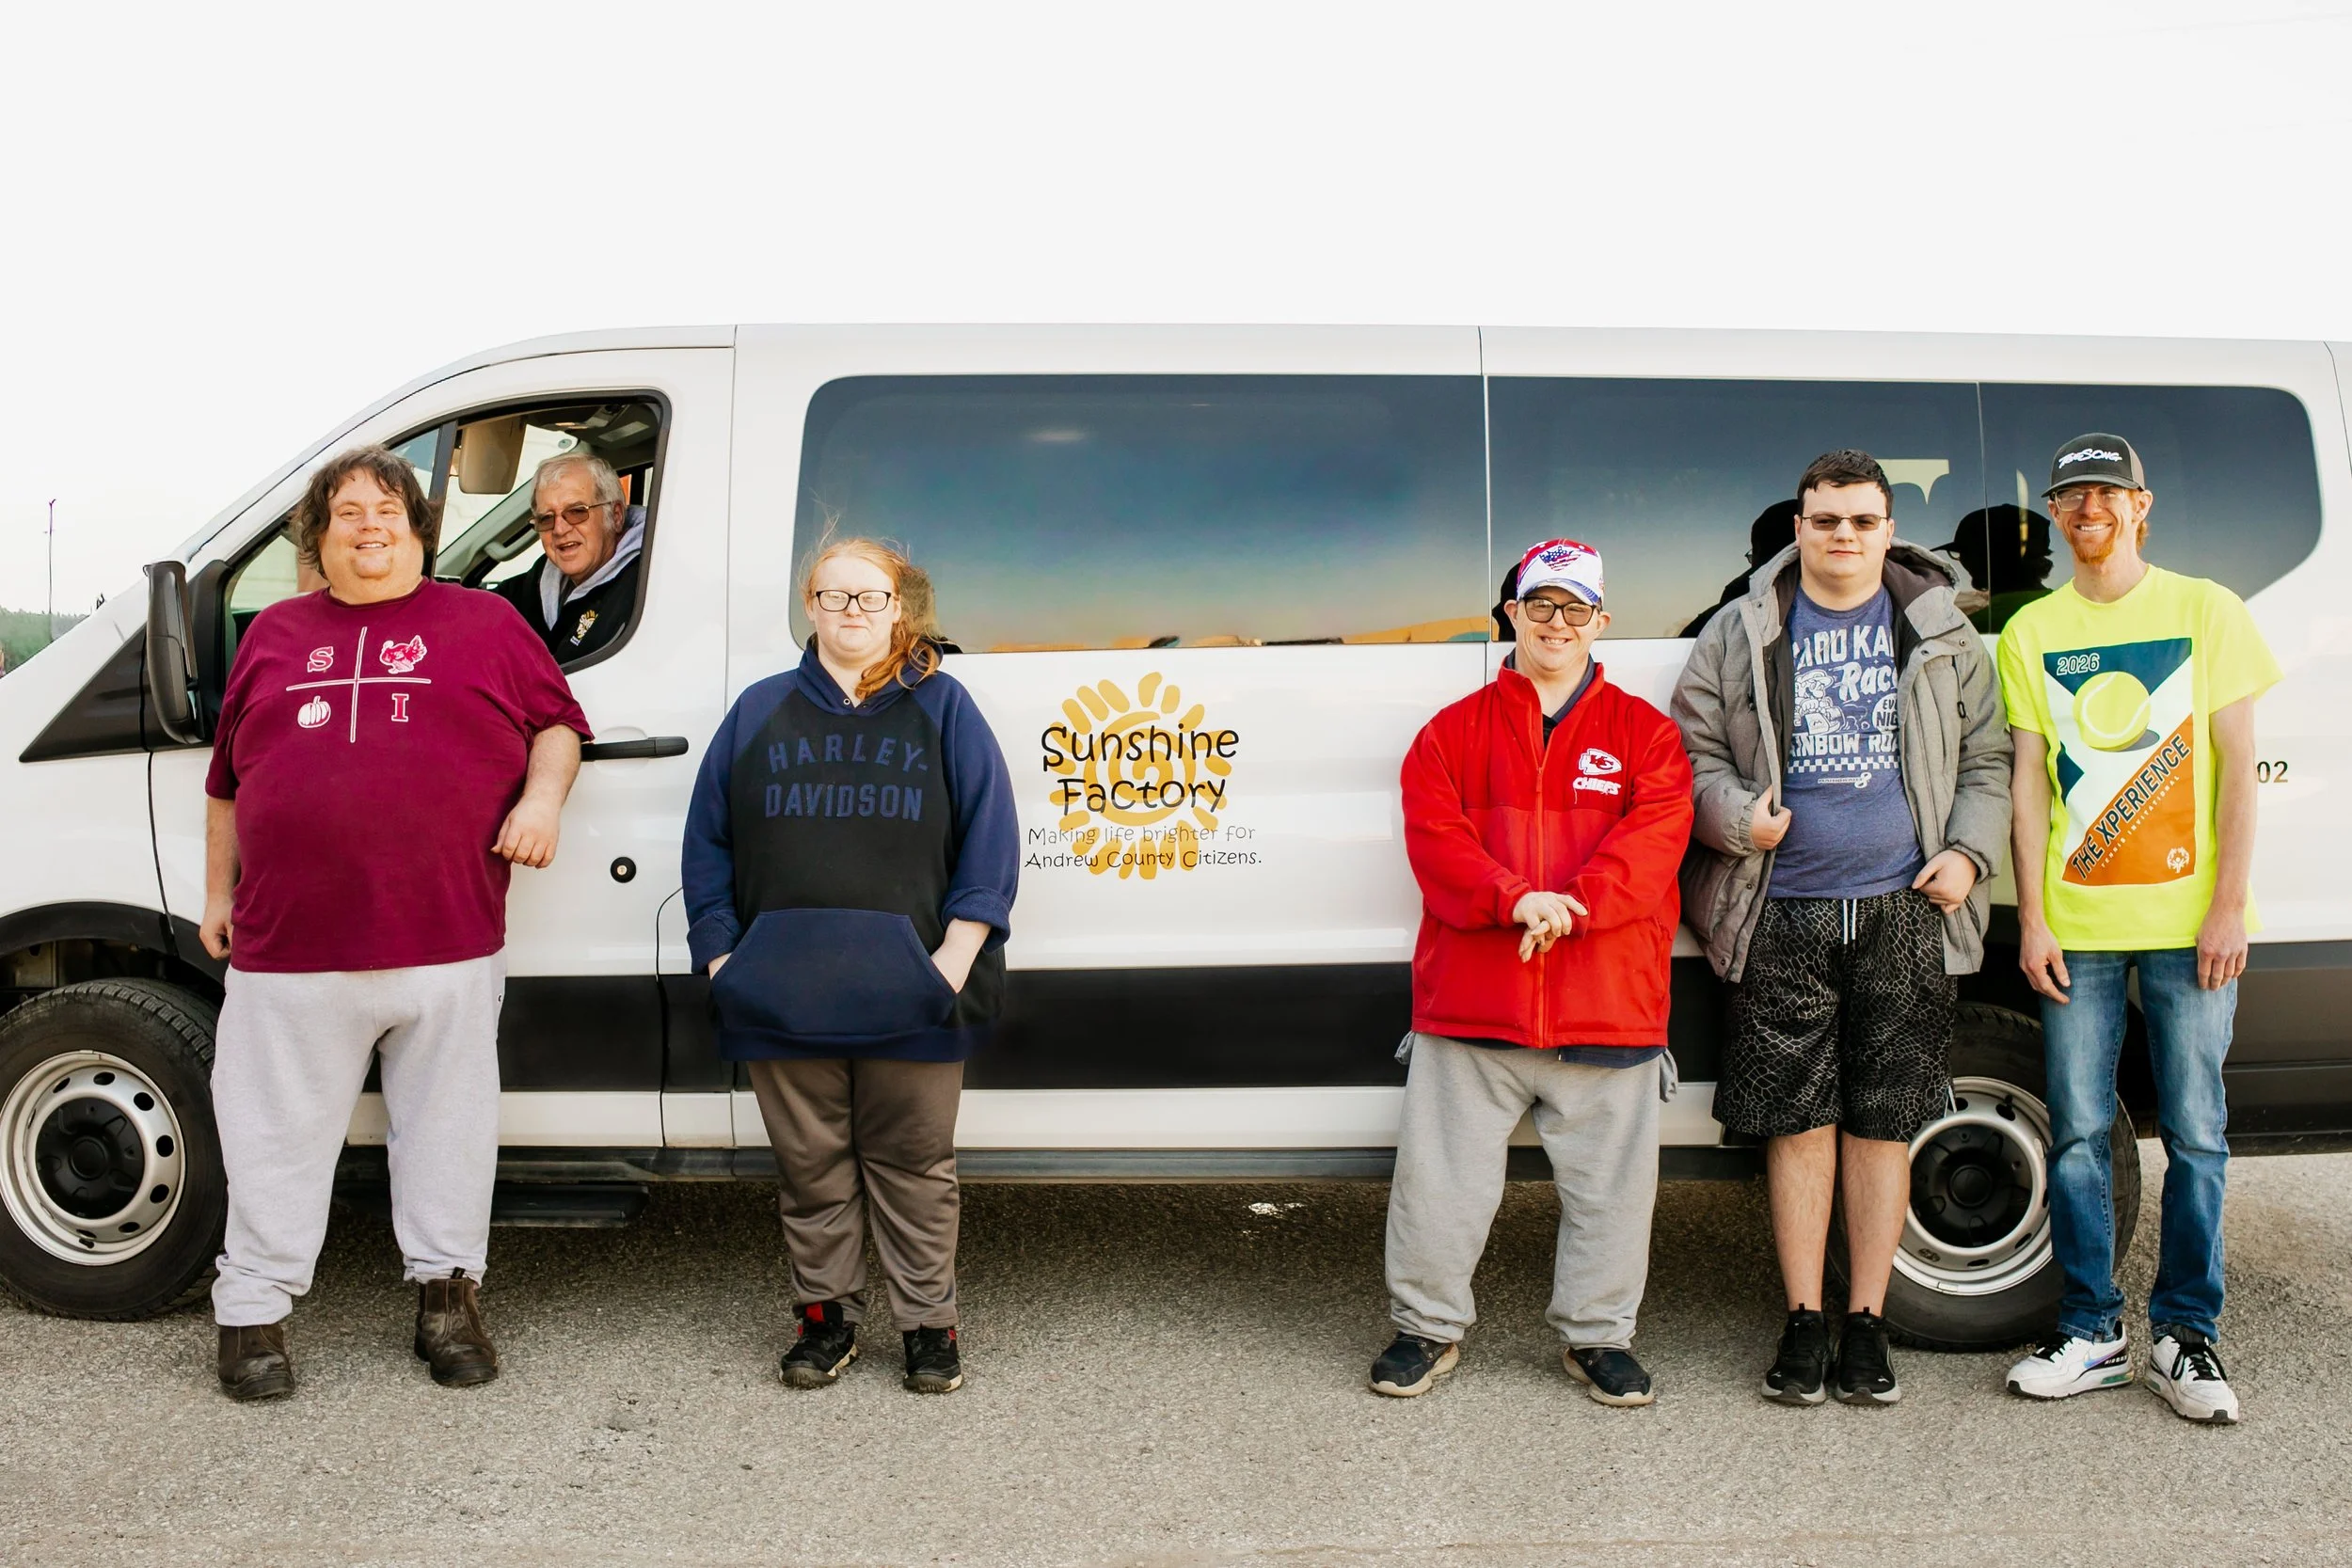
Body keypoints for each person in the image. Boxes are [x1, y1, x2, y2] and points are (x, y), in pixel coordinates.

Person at [201, 444, 591, 1401]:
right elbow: (225, 785)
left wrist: (541, 804)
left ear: (418, 528)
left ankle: (446, 1298)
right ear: (319, 536)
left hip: (448, 933)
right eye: (346, 513)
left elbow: (557, 724)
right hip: (290, 942)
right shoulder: (274, 634)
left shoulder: (486, 622)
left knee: (449, 1130)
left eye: (386, 509)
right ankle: (251, 1311)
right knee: (271, 1131)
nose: (368, 525)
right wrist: (217, 895)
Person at [1673, 450, 2010, 1407]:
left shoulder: (1940, 631)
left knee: (1883, 1120)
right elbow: (1690, 750)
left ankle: (1866, 1320)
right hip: (1779, 905)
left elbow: (1987, 755)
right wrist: (1738, 819)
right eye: (1824, 519)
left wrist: (1970, 852)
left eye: (1862, 520)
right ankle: (1802, 1318)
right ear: (1798, 526)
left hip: (1908, 903)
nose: (1842, 536)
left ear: (1888, 528)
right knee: (1795, 1120)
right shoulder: (1739, 632)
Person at [681, 536, 1017, 1396]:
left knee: (915, 1167)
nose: (853, 613)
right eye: (835, 597)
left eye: (870, 598)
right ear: (810, 606)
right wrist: (723, 955)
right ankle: (824, 1320)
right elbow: (706, 842)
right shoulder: (758, 711)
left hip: (917, 992)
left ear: (899, 607)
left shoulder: (945, 708)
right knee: (811, 1169)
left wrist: (951, 961)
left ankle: (927, 1327)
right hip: (778, 994)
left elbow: (990, 844)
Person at [1996, 434, 2279, 1424]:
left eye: (2105, 493)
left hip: (2188, 923)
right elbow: (2027, 781)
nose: (2087, 510)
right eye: (2071, 495)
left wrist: (2227, 904)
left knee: (2196, 1135)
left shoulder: (2206, 609)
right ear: (2057, 512)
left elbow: (2239, 769)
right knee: (2075, 1133)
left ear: (2140, 504)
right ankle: (2092, 1330)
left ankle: (2186, 1335)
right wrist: (2031, 916)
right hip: (2075, 924)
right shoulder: (2032, 629)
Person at [1373, 539, 1693, 1406]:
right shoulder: (1448, 733)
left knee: (1613, 1195)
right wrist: (1517, 899)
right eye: (1540, 605)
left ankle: (1598, 1339)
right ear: (1511, 611)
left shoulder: (1648, 736)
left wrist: (1571, 905)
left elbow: (1654, 846)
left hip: (1607, 1002)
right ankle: (1425, 1328)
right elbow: (1438, 848)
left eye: (1576, 608)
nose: (1558, 623)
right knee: (1439, 1184)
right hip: (1476, 1000)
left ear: (1603, 621)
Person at [493, 451, 644, 663]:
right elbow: (487, 609)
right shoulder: (544, 577)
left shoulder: (644, 585)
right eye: (546, 518)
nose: (559, 529)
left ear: (616, 516)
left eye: (576, 511)